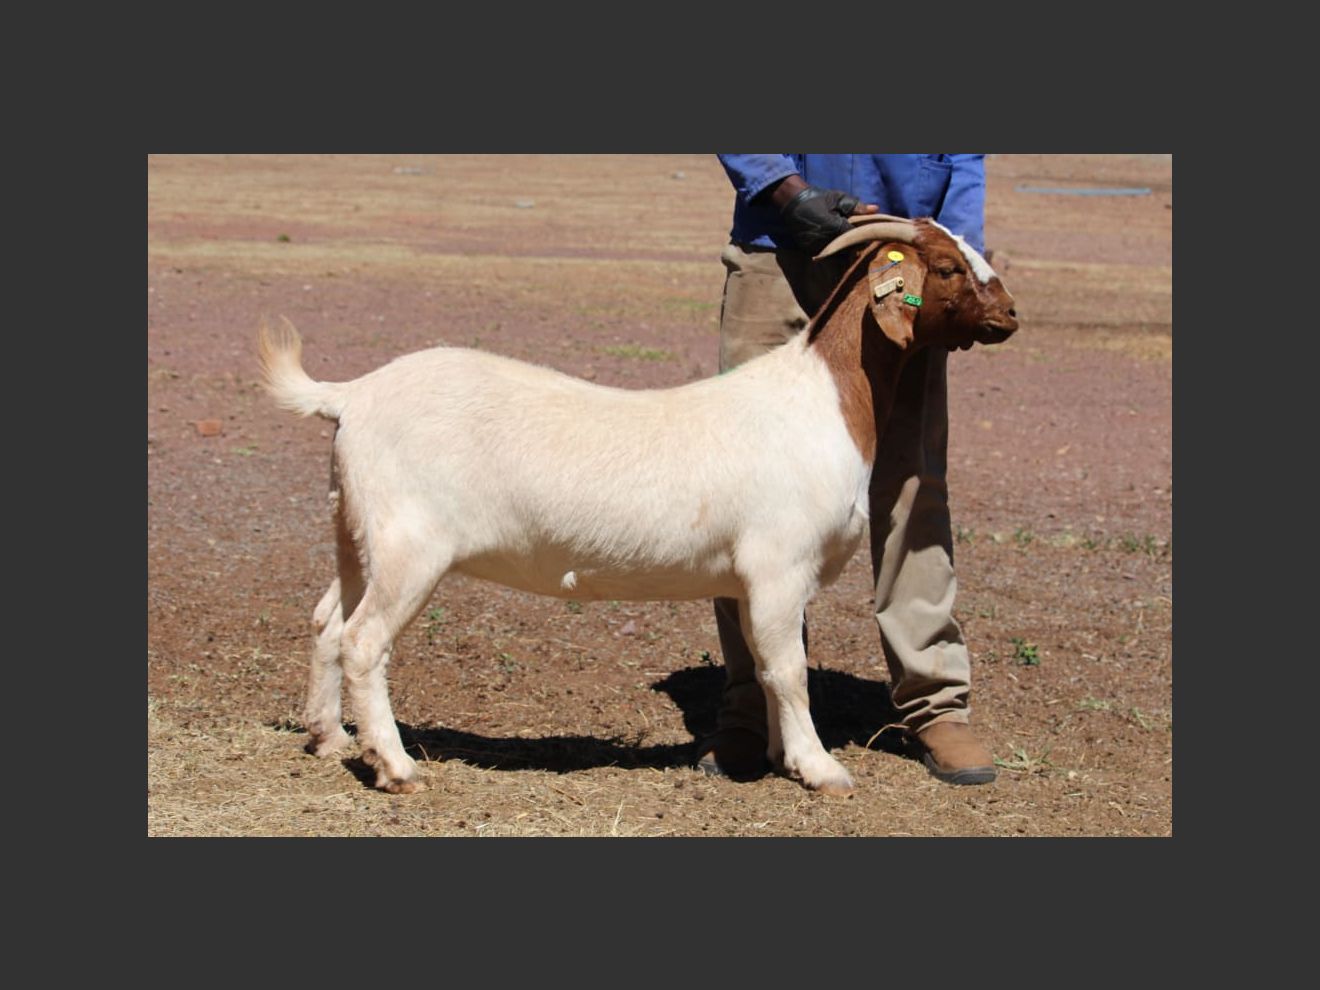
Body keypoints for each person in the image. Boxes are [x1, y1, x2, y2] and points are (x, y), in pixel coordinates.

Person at [699, 154, 997, 785]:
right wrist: (786, 191)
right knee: (742, 482)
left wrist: (959, 250)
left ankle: (935, 701)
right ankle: (752, 705)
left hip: (907, 257)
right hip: (777, 249)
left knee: (910, 476)